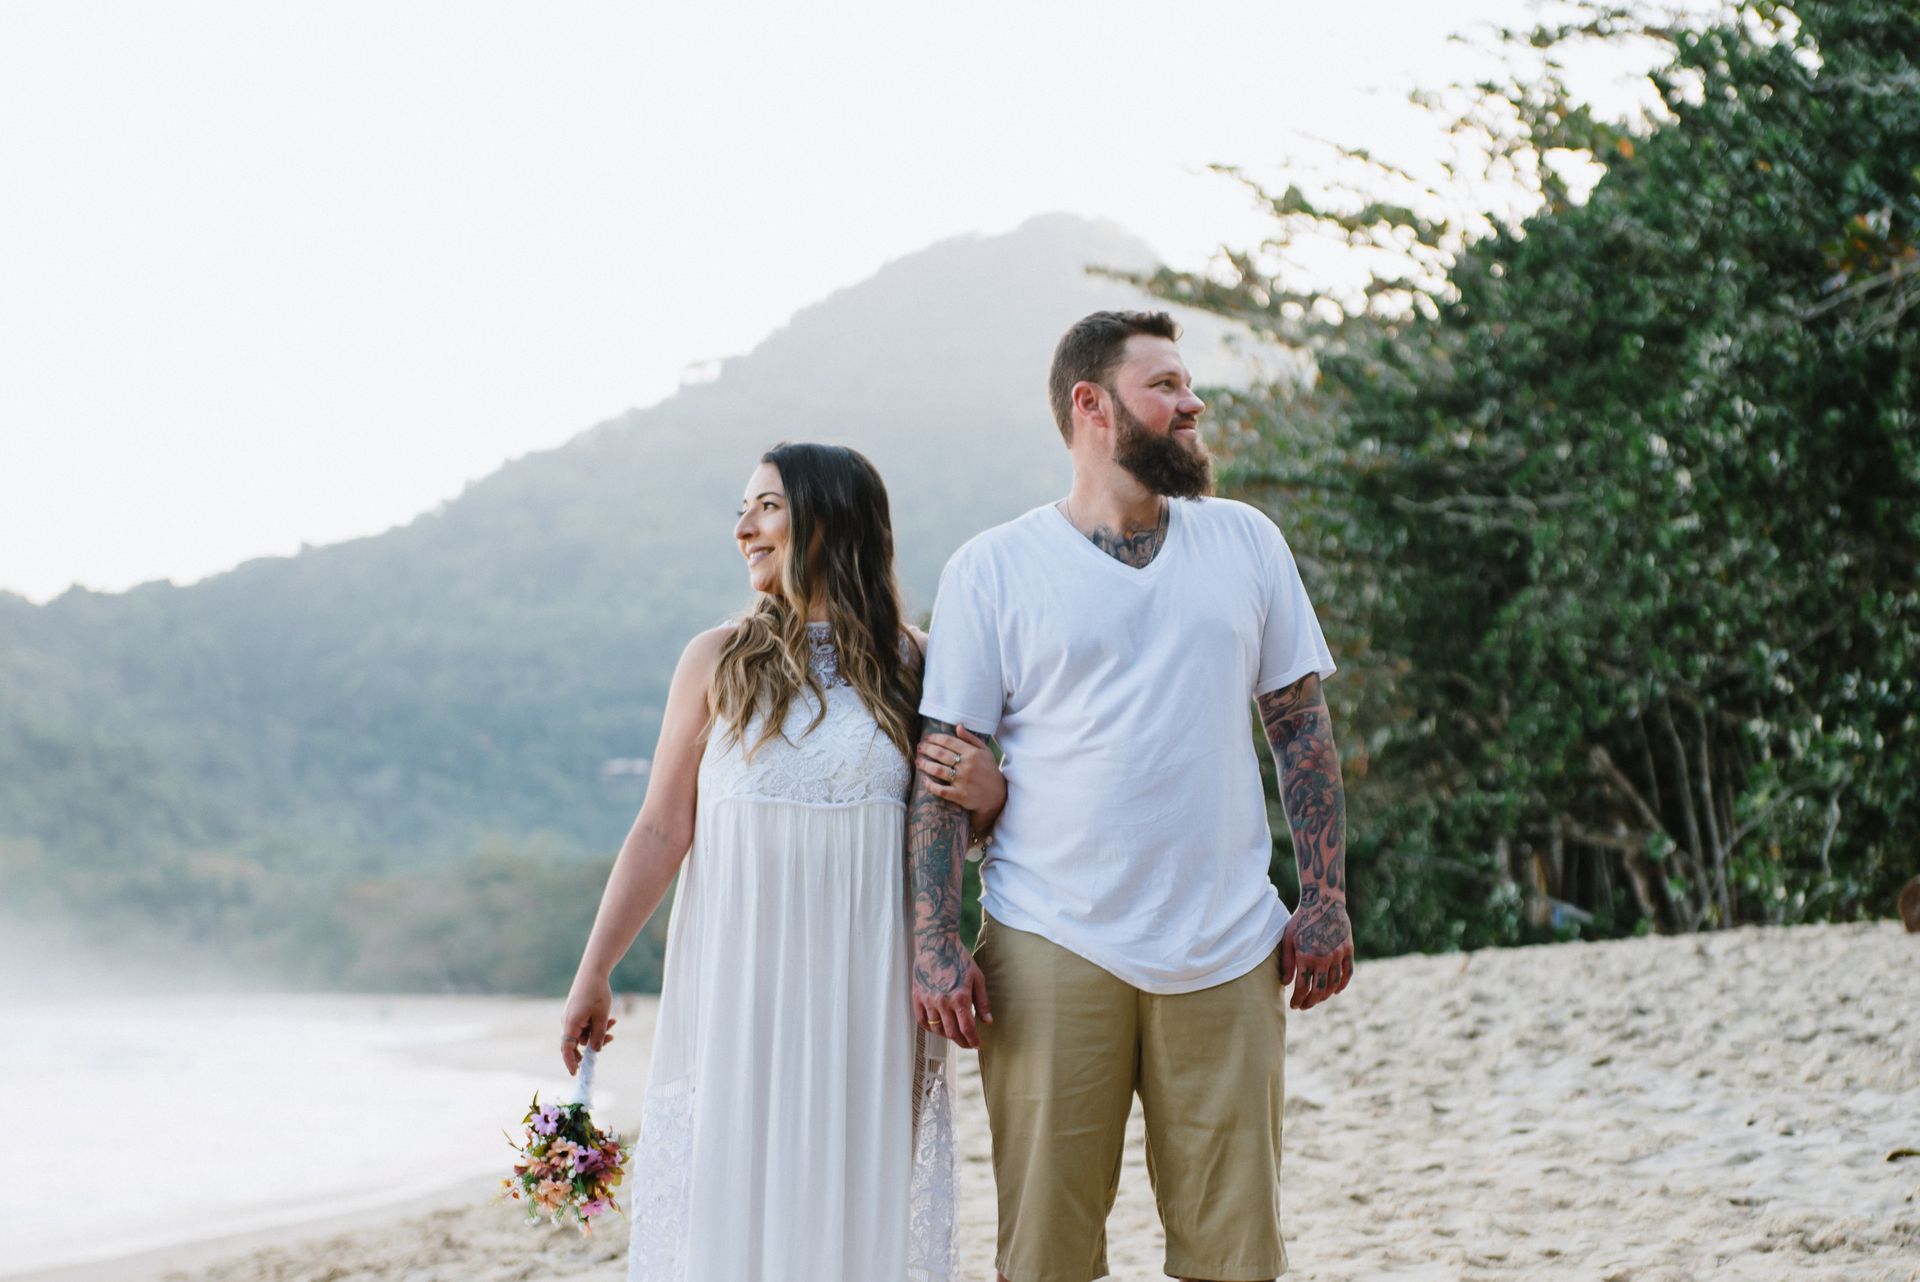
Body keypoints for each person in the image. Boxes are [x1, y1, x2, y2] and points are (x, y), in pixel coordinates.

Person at [910, 310, 1354, 1282]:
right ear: (1092, 405)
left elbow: (1299, 729)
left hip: (1231, 942)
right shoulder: (994, 566)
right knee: (1048, 1254)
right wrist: (936, 941)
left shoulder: (1245, 540)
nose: (1192, 401)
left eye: (1188, 383)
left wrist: (1323, 897)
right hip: (1050, 940)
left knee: (1236, 1252)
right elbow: (944, 769)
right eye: (1166, 385)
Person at [559, 441, 1005, 1281]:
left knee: (849, 1207)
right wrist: (596, 968)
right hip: (739, 992)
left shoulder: (919, 663)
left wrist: (993, 793)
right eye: (741, 509)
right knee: (733, 1209)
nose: (743, 529)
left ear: (829, 516)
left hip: (868, 993)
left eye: (765, 505)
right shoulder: (715, 659)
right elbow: (661, 828)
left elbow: (956, 825)